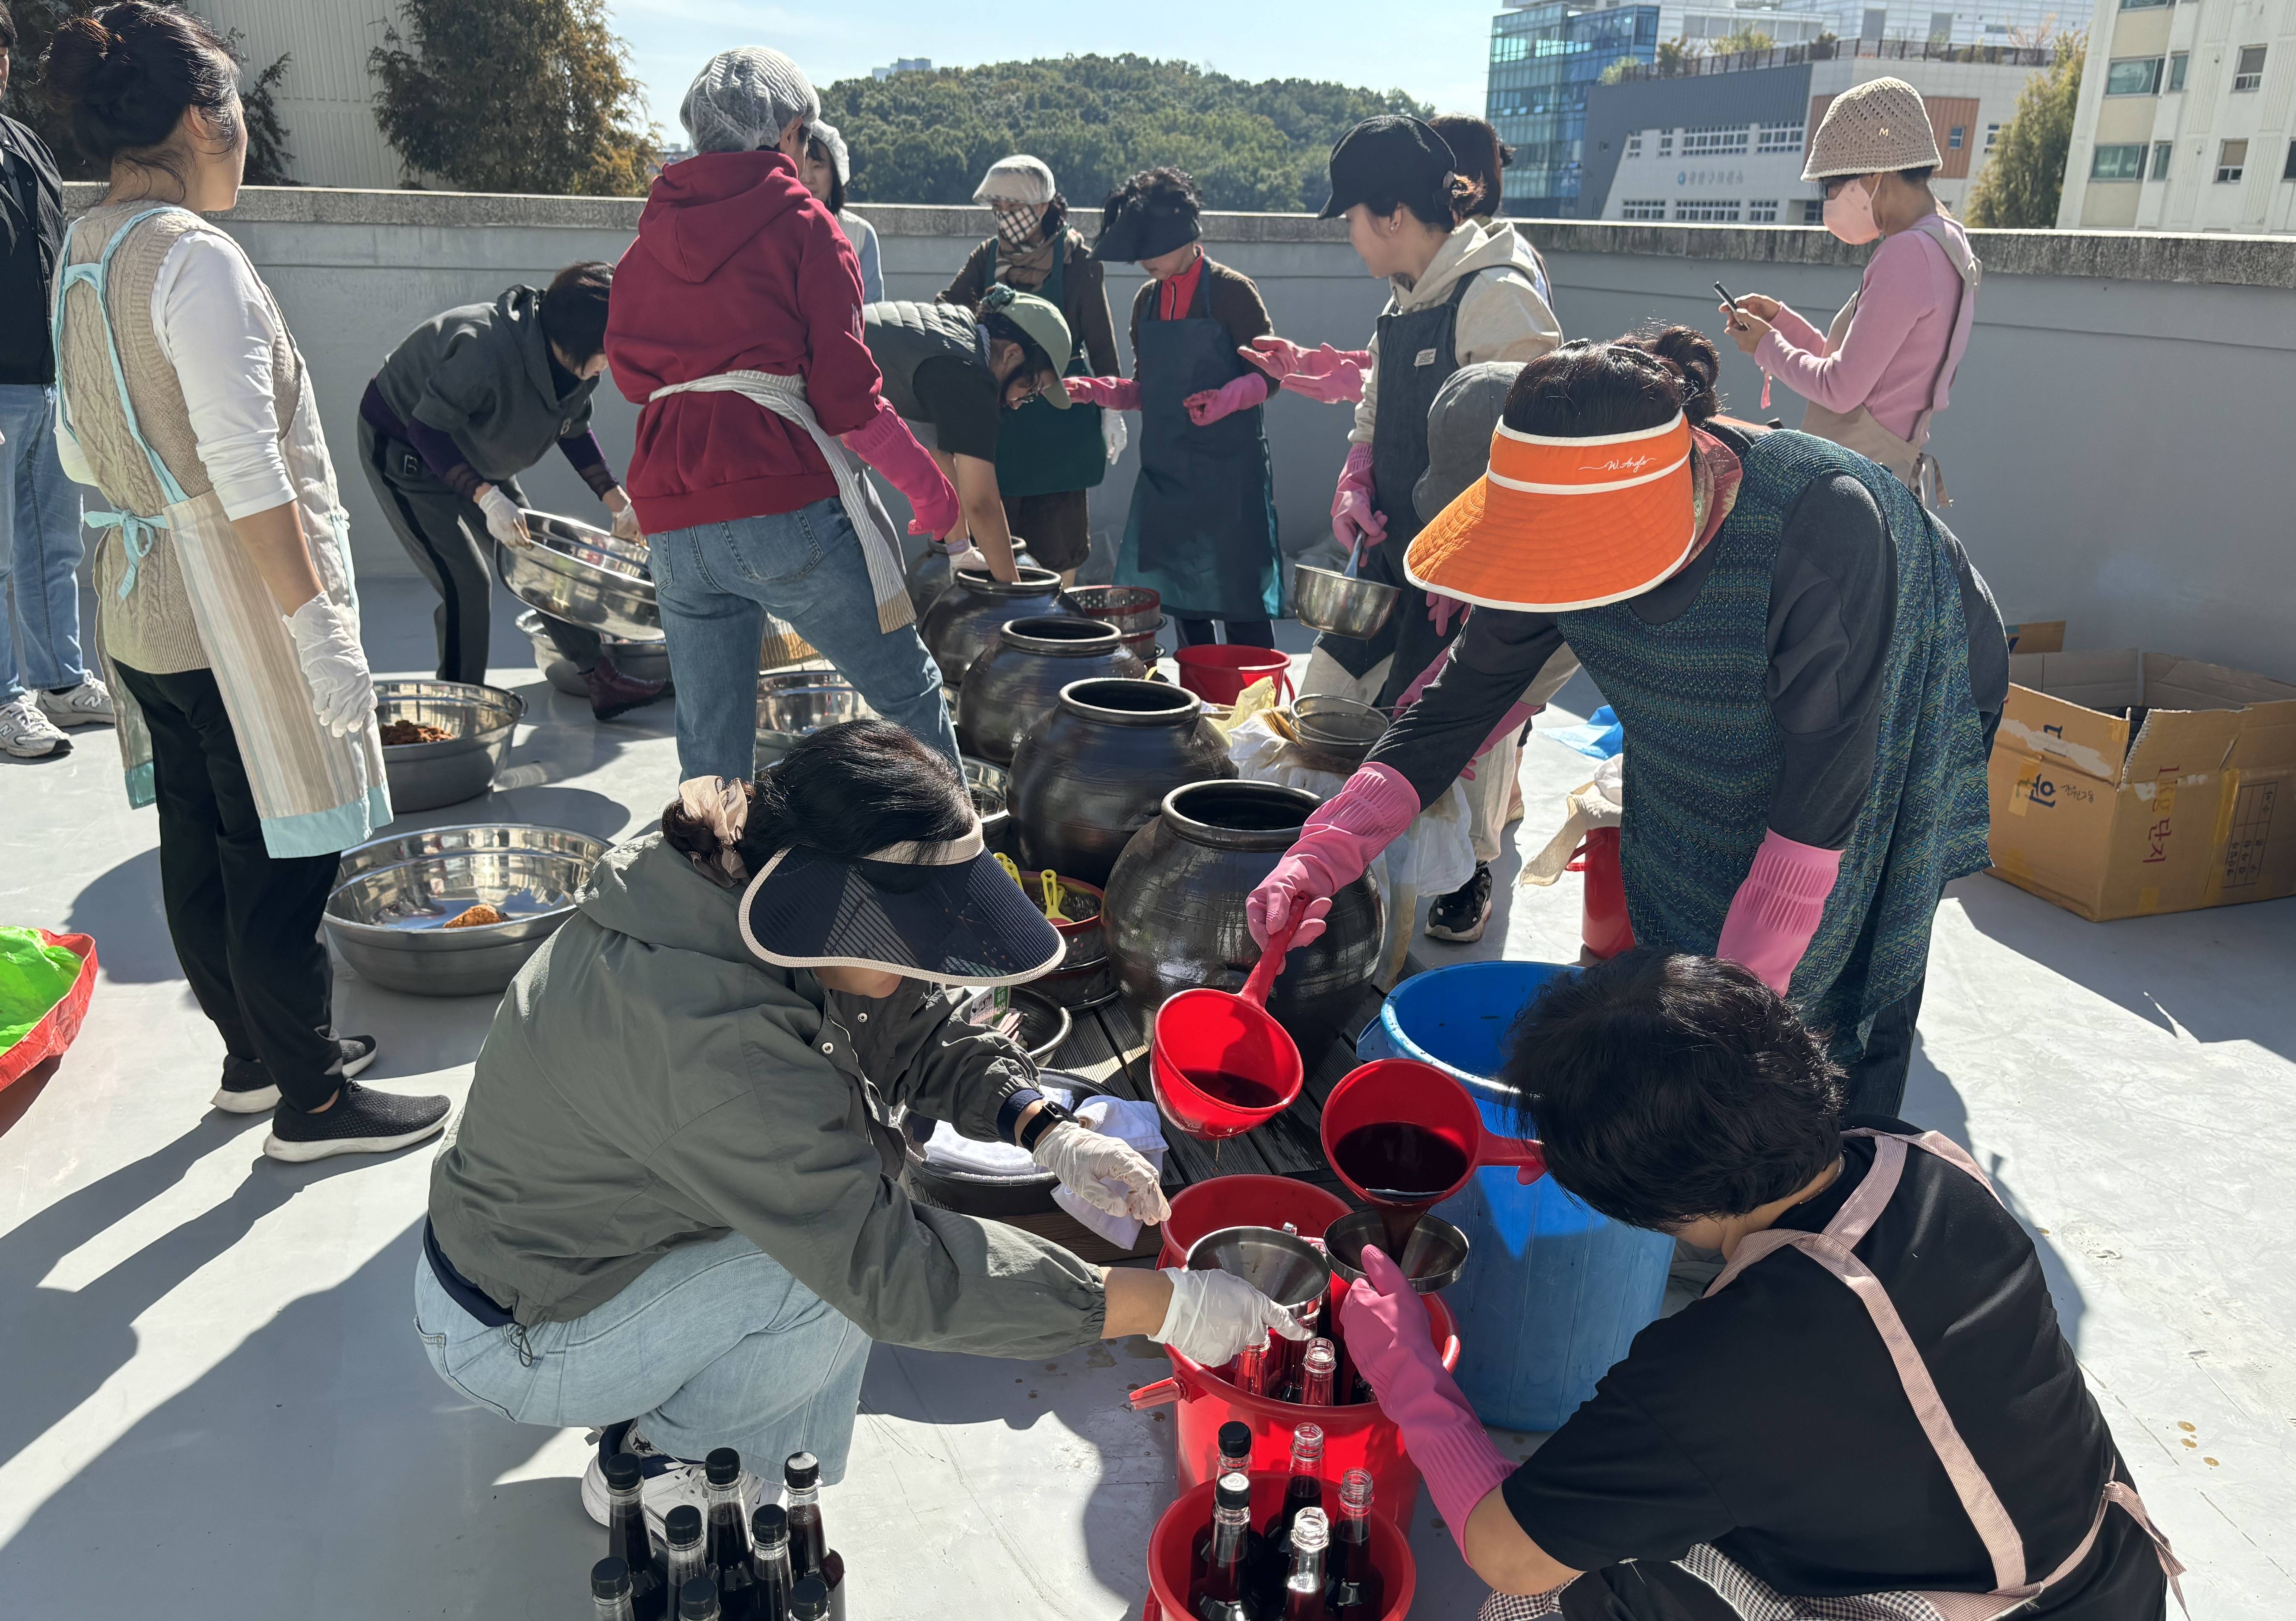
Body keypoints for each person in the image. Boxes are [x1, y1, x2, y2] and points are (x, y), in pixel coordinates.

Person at [416, 720, 1307, 1526]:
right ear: (825, 902)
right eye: (906, 944)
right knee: (820, 1279)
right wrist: (1163, 1306)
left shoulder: (732, 886)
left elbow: (904, 1028)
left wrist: (1045, 1128)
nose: (923, 967)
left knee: (832, 1236)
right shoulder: (714, 1046)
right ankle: (666, 1466)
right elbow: (893, 1275)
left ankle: (682, 1410)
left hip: (572, 1250)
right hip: (519, 1328)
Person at [1248, 329, 2009, 1116]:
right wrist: (1324, 848)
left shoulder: (1821, 526)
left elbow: (1821, 799)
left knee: (1856, 935)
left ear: (1673, 500)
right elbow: (1459, 702)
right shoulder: (1554, 524)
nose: (1568, 584)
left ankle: (1841, 1153)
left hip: (1903, 683)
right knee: (1684, 878)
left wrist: (1732, 1017)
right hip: (1756, 706)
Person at [1338, 950, 2180, 1621]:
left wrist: (1411, 1375)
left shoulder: (1716, 1375)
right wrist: (1584, 1158)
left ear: (1647, 1202)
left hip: (1990, 1611)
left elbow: (1500, 1549)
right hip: (2100, 1568)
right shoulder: (1913, 1159)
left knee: (1557, 1586)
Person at [45, 2, 448, 1157]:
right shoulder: (195, 261)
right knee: (281, 853)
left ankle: (255, 1058)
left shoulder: (88, 248)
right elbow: (249, 474)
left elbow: (83, 443)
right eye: (231, 114)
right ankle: (313, 1103)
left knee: (200, 840)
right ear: (194, 118)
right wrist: (316, 628)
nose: (244, 141)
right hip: (229, 607)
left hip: (137, 603)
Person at [606, 47, 964, 785]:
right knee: (909, 697)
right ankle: (961, 884)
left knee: (710, 747)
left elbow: (633, 379)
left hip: (672, 516)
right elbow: (846, 401)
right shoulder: (806, 225)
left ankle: (716, 887)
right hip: (780, 508)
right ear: (793, 131)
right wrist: (934, 495)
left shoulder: (645, 247)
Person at [1245, 116, 1561, 943]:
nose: (1347, 236)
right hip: (1391, 551)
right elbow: (1375, 409)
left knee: (1456, 728)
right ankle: (1334, 865)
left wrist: (1480, 569)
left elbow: (1534, 453)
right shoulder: (1405, 295)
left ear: (1390, 215)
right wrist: (1355, 476)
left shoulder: (1495, 293)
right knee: (1333, 700)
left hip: (1471, 573)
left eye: (1349, 217)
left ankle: (1469, 868)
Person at [358, 262, 666, 719]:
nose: (615, 363)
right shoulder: (485, 349)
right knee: (467, 582)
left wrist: (618, 502)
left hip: (474, 450)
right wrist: (486, 497)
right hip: (407, 451)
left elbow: (574, 431)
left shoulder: (579, 365)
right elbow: (427, 427)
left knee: (542, 562)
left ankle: (600, 680)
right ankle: (458, 711)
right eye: (609, 351)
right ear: (578, 342)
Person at [1719, 78, 1980, 509]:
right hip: (1887, 479)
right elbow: (1863, 373)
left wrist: (1766, 346)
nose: (1829, 200)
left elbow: (1840, 390)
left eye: (1831, 186)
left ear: (1874, 175)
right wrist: (1781, 323)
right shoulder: (1947, 242)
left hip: (1850, 487)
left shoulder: (1906, 253)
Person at [1062, 167, 1283, 649]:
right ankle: (1201, 701)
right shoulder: (1146, 302)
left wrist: (1227, 399)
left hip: (1230, 476)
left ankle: (1254, 703)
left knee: (1240, 599)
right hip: (1168, 474)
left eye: (1151, 248)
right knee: (1182, 600)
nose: (1143, 261)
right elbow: (1146, 390)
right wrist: (1097, 390)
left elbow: (1270, 376)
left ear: (1186, 235)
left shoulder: (1232, 292)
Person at [0, 2, 114, 758]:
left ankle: (61, 681)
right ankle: (6, 699)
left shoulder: (27, 144)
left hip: (44, 379)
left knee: (52, 542)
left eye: (1, 49)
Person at [935, 155, 1117, 584]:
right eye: (996, 210)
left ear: (1041, 207)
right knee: (999, 515)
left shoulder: (1078, 261)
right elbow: (947, 308)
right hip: (1001, 412)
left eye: (1011, 209)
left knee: (1059, 538)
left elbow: (1101, 340)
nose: (1003, 219)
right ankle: (1002, 623)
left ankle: (1054, 624)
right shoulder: (987, 256)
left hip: (1061, 415)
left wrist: (1113, 408)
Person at [861, 283, 1075, 590]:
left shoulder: (957, 333)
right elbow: (982, 504)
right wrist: (1013, 593)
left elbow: (940, 458)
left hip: (801, 393)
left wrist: (961, 550)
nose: (1018, 403)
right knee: (875, 582)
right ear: (1013, 354)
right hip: (796, 413)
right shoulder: (969, 376)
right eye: (1031, 390)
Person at [796, 120, 879, 301]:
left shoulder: (860, 235)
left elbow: (872, 310)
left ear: (835, 173)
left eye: (818, 166)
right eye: (802, 167)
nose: (807, 178)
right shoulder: (773, 231)